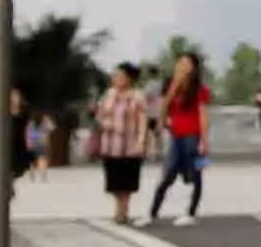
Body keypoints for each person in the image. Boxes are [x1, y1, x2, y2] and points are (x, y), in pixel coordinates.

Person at [148, 51, 212, 219]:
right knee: (168, 173)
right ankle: (153, 211)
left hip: (194, 137)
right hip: (176, 136)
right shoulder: (170, 86)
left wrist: (204, 141)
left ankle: (191, 211)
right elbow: (163, 107)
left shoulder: (200, 89)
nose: (183, 67)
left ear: (194, 68)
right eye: (180, 63)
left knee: (196, 174)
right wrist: (174, 87)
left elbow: (203, 115)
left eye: (187, 64)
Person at [90, 61, 154, 222]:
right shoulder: (108, 94)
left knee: (127, 180)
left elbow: (143, 120)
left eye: (119, 75)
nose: (116, 78)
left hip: (129, 144)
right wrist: (103, 122)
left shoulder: (138, 96)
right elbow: (99, 116)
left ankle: (122, 210)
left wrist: (141, 141)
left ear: (129, 78)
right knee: (113, 180)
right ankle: (120, 208)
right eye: (115, 75)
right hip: (110, 144)